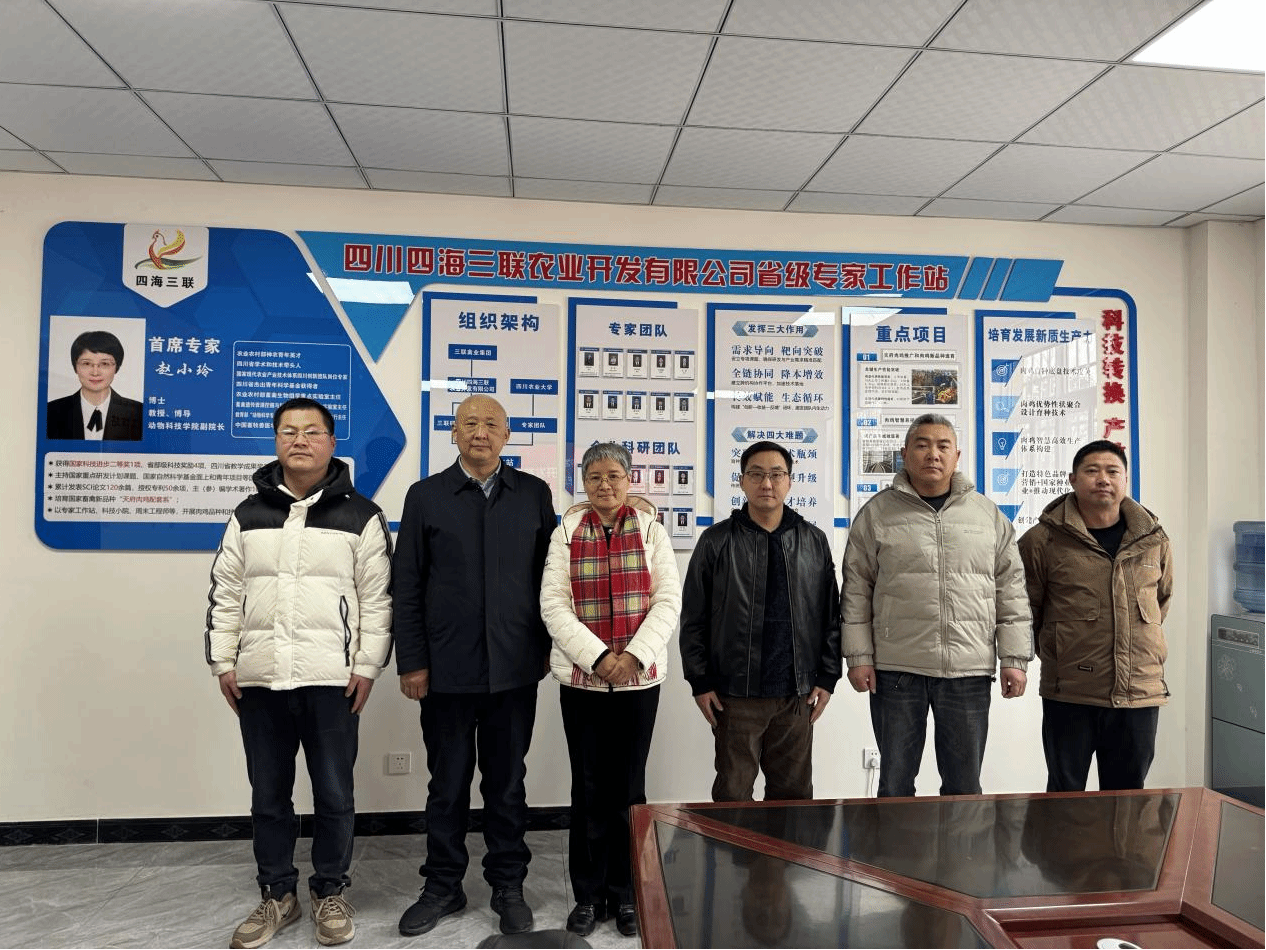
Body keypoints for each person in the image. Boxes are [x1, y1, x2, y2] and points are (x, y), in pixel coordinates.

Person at [205, 397, 392, 949]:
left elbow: (377, 600)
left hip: (332, 678)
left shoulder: (362, 515)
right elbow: (225, 591)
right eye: (288, 431)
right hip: (260, 678)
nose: (300, 440)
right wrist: (223, 660)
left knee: (334, 792)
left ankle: (331, 890)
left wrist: (367, 666)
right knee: (269, 795)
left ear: (332, 443)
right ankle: (277, 894)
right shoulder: (247, 514)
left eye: (312, 431)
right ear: (276, 442)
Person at [393, 395, 556, 938]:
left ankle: (508, 885)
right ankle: (443, 886)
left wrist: (546, 647)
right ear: (454, 433)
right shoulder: (426, 496)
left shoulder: (533, 494)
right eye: (469, 423)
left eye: (490, 424)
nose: (479, 432)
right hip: (446, 671)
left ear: (507, 435)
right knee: (447, 784)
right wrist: (412, 661)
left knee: (507, 785)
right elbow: (406, 585)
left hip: (514, 668)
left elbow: (552, 577)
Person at [842, 413, 1031, 797]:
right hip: (897, 669)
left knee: (964, 785)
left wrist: (1014, 658)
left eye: (943, 446)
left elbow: (1011, 590)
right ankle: (892, 842)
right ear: (904, 454)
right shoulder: (877, 514)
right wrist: (859, 656)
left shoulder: (986, 515)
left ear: (956, 455)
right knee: (895, 783)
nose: (933, 454)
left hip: (967, 670)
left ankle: (962, 843)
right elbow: (856, 589)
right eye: (922, 445)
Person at [540, 442, 681, 938]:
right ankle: (588, 894)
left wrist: (632, 658)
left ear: (628, 479)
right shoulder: (565, 532)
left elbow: (667, 600)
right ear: (583, 482)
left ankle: (625, 892)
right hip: (582, 682)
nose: (605, 485)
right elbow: (554, 604)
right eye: (595, 476)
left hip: (639, 681)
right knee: (588, 788)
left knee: (629, 789)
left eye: (614, 476)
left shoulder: (651, 530)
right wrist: (599, 658)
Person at [680, 440, 841, 802]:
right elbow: (693, 617)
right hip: (735, 694)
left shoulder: (813, 540)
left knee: (793, 797)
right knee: (733, 795)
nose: (766, 483)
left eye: (776, 474)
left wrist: (827, 677)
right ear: (742, 481)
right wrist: (699, 680)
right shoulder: (716, 541)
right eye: (756, 474)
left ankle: (784, 846)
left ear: (789, 481)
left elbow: (831, 615)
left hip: (796, 694)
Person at [1017, 440, 1173, 791]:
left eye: (1112, 471)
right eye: (1092, 470)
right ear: (1072, 479)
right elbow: (1027, 609)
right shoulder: (1042, 540)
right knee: (1065, 794)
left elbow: (1161, 601)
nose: (1103, 478)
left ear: (1125, 480)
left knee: (1127, 795)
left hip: (1138, 691)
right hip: (1070, 693)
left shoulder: (1153, 540)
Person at [46, 329, 143, 440]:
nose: (95, 372)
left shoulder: (139, 413)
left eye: (105, 364)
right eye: (87, 363)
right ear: (75, 367)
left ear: (117, 367)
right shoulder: (51, 412)